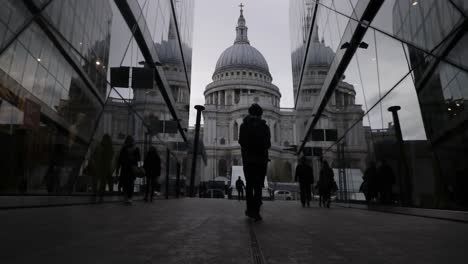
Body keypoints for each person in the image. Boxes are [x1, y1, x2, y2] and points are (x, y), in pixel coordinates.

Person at [239, 104, 271, 221]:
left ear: (249, 113)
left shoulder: (243, 126)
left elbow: (241, 141)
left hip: (248, 160)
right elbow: (268, 144)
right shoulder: (265, 127)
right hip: (261, 161)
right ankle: (256, 212)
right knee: (258, 186)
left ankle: (249, 209)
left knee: (249, 185)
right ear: (260, 114)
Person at [89, 134, 114, 202]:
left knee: (96, 180)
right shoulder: (110, 148)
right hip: (104, 167)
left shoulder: (99, 146)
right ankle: (101, 195)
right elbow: (111, 157)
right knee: (103, 181)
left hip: (98, 166)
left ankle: (95, 193)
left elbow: (94, 156)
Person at [116, 136, 140, 204]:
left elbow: (120, 160)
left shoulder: (125, 149)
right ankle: (128, 197)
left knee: (127, 184)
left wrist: (118, 168)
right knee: (129, 184)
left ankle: (127, 197)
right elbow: (138, 158)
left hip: (127, 169)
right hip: (130, 169)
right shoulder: (134, 149)